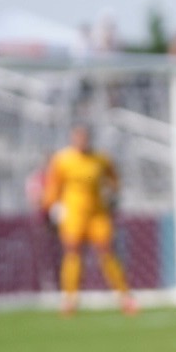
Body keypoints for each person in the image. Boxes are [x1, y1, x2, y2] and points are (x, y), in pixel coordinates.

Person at [40, 125, 138, 316]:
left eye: (84, 138)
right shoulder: (62, 160)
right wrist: (47, 209)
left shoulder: (101, 159)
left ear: (88, 139)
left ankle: (124, 297)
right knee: (72, 252)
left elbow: (114, 180)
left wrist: (114, 196)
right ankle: (70, 300)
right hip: (74, 214)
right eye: (77, 138)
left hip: (97, 214)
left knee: (107, 251)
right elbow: (53, 187)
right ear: (72, 139)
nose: (81, 142)